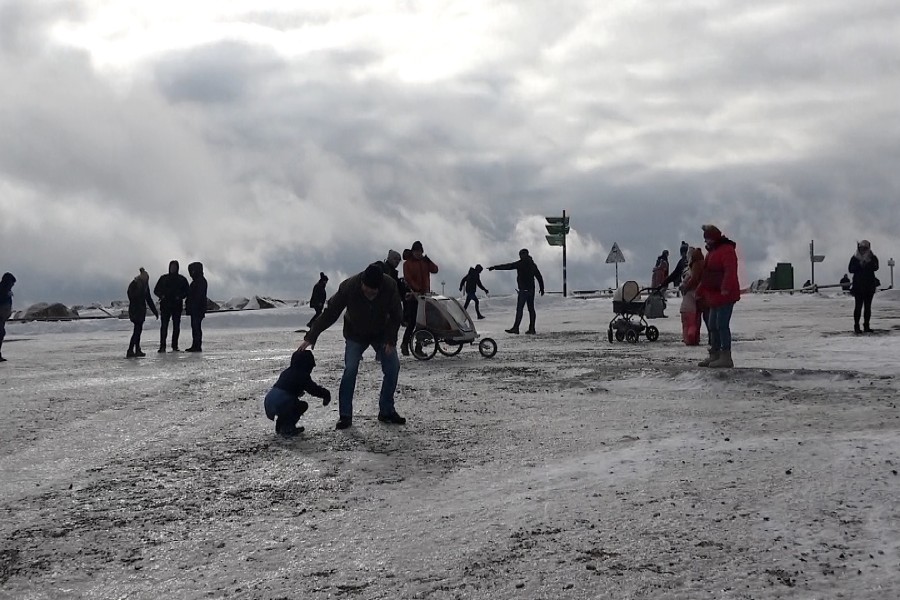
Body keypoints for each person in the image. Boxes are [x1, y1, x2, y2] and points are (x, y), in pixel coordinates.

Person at [298, 263, 404, 430]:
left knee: (393, 367)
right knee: (350, 369)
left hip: (381, 333)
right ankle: (345, 416)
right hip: (355, 333)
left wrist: (391, 340)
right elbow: (331, 312)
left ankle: (387, 411)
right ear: (362, 282)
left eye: (374, 291)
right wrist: (312, 336)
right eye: (367, 289)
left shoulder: (390, 286)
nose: (370, 293)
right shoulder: (349, 286)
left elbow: (397, 314)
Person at [696, 225, 740, 368]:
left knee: (721, 324)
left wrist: (726, 288)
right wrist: (700, 290)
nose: (706, 241)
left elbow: (730, 271)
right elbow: (707, 275)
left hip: (725, 296)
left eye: (707, 238)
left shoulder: (726, 250)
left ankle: (725, 356)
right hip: (714, 296)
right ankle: (715, 354)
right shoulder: (712, 252)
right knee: (712, 325)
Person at [264, 349, 331, 436]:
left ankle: (280, 427)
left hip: (269, 400)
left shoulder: (287, 372)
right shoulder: (302, 374)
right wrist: (326, 394)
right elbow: (313, 389)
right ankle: (287, 428)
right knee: (300, 406)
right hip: (282, 401)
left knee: (289, 407)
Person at [488, 248, 545, 334]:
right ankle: (532, 328)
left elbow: (508, 266)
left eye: (521, 254)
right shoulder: (532, 264)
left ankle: (516, 328)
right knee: (531, 309)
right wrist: (542, 288)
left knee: (520, 309)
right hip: (531, 290)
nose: (520, 256)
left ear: (525, 254)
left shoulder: (521, 264)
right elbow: (539, 276)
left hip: (524, 290)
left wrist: (495, 267)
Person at [401, 241, 439, 356]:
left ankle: (418, 346)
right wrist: (417, 289)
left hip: (425, 297)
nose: (418, 254)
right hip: (414, 297)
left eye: (420, 252)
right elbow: (408, 278)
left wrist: (428, 260)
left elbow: (435, 269)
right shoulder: (407, 264)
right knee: (412, 322)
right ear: (413, 252)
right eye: (416, 252)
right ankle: (405, 344)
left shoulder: (424, 262)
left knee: (424, 323)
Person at [154, 260, 189, 352]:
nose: (173, 269)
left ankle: (175, 346)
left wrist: (180, 296)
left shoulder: (182, 279)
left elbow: (187, 291)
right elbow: (156, 290)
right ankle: (162, 346)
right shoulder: (163, 278)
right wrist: (162, 296)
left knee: (176, 326)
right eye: (171, 267)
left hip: (177, 306)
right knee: (164, 326)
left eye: (174, 267)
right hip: (165, 306)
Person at [126, 268, 159, 358]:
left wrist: (155, 311)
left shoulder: (144, 286)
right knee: (137, 330)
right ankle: (130, 350)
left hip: (140, 310)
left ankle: (137, 349)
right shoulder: (135, 284)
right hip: (135, 310)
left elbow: (148, 299)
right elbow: (131, 296)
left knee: (138, 330)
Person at [848, 240, 880, 334]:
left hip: (869, 286)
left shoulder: (873, 257)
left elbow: (876, 267)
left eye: (865, 248)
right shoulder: (854, 258)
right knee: (858, 307)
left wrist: (868, 263)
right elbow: (850, 269)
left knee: (867, 307)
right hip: (858, 286)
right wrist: (860, 265)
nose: (863, 250)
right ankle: (856, 326)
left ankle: (866, 325)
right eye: (861, 248)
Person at [679, 248, 704, 346]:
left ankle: (689, 338)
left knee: (687, 325)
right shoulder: (703, 267)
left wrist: (683, 287)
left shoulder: (691, 272)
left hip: (686, 307)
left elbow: (687, 283)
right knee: (695, 324)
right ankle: (695, 338)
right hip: (696, 305)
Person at [185, 262, 208, 352]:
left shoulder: (200, 281)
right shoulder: (198, 281)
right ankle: (195, 345)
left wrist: (193, 305)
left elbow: (197, 296)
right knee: (195, 327)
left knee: (196, 327)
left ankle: (197, 345)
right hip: (196, 308)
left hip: (197, 309)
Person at [0, 272, 17, 362]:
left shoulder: (7, 292)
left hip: (2, 317)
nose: (12, 285)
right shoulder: (2, 291)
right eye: (12, 283)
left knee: (1, 334)